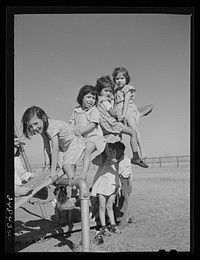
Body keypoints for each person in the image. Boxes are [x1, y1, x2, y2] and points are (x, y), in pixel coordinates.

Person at [21, 106, 86, 184]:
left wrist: (53, 171)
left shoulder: (51, 127)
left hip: (75, 143)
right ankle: (63, 188)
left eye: (35, 123)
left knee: (66, 166)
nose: (34, 128)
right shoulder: (43, 129)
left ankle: (77, 188)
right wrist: (48, 164)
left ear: (43, 118)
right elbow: (46, 147)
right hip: (64, 147)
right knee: (58, 166)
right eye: (31, 126)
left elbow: (55, 149)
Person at [95, 75, 148, 168]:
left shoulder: (98, 101)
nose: (108, 93)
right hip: (111, 124)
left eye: (110, 91)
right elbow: (112, 113)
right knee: (132, 133)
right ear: (100, 91)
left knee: (115, 140)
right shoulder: (104, 101)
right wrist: (118, 116)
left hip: (104, 127)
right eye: (106, 91)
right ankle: (135, 156)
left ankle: (104, 155)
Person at [69, 85, 106, 180]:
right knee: (73, 156)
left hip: (93, 136)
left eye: (94, 98)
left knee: (87, 150)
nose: (91, 100)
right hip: (80, 139)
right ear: (82, 97)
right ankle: (74, 178)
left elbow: (93, 124)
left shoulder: (94, 110)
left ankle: (84, 173)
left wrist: (81, 131)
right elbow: (71, 123)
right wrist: (73, 130)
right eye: (88, 97)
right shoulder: (76, 110)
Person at [112, 67, 147, 159]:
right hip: (118, 112)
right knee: (117, 132)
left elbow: (126, 101)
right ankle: (117, 153)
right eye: (117, 78)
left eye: (122, 78)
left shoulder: (128, 88)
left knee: (133, 128)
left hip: (128, 110)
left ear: (126, 79)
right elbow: (114, 103)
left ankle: (142, 151)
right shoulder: (115, 91)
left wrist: (124, 114)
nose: (119, 81)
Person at [91, 142, 122, 236]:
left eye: (113, 151)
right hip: (102, 186)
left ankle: (113, 226)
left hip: (112, 186)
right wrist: (103, 155)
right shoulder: (102, 161)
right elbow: (94, 161)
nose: (111, 153)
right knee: (102, 206)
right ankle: (104, 227)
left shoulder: (116, 163)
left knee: (110, 207)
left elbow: (117, 176)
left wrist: (118, 187)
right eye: (109, 151)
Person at [114, 141, 134, 228]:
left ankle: (123, 221)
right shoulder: (120, 159)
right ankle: (128, 216)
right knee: (120, 200)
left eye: (115, 151)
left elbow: (119, 171)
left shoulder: (124, 159)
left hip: (124, 181)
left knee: (123, 200)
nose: (114, 153)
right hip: (122, 181)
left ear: (120, 150)